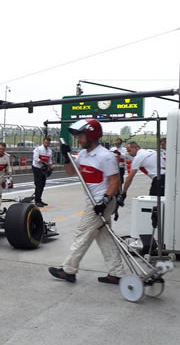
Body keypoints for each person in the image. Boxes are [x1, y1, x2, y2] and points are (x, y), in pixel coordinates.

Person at [49, 119, 124, 284]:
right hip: (95, 201)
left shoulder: (105, 156)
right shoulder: (83, 154)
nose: (78, 139)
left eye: (81, 136)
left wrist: (104, 202)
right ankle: (116, 272)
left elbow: (115, 180)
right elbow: (71, 172)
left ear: (91, 135)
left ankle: (68, 270)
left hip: (101, 201)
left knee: (82, 234)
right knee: (104, 237)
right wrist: (66, 156)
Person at [32, 137, 53, 207]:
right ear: (43, 142)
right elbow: (35, 158)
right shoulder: (38, 149)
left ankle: (39, 199)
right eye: (46, 142)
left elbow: (49, 161)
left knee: (43, 184)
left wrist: (51, 167)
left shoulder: (49, 151)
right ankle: (37, 201)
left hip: (44, 169)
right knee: (38, 184)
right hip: (37, 168)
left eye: (48, 143)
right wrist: (42, 162)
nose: (47, 144)